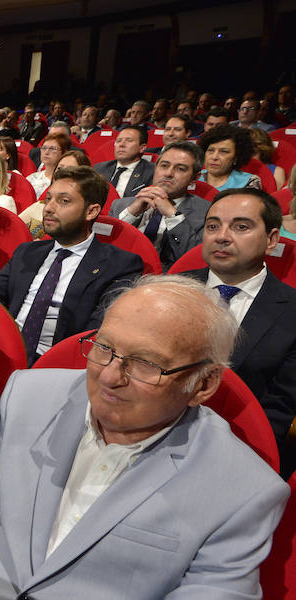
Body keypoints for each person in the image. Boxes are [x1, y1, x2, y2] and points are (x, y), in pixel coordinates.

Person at [0, 275, 289, 600]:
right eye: (104, 347)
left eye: (146, 364)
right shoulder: (30, 395)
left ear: (203, 384)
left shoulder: (244, 490)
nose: (110, 377)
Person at [181, 188, 296, 477]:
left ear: (271, 240)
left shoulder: (292, 311)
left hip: (238, 455)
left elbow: (279, 409)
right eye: (212, 226)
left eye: (241, 227)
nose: (222, 235)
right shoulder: (167, 290)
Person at [0, 166, 143, 364]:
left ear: (91, 211)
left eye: (64, 201)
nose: (49, 207)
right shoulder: (27, 252)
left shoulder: (120, 265)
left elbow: (96, 335)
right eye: (48, 198)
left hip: (61, 365)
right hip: (3, 352)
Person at [111, 141, 210, 270]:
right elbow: (104, 249)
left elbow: (199, 262)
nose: (168, 173)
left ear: (194, 178)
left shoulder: (207, 212)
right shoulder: (121, 205)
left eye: (180, 169)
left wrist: (172, 215)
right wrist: (131, 214)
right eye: (164, 166)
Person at [19, 150, 91, 240]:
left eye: (70, 170)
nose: (62, 174)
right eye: (59, 169)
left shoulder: (79, 214)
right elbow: (15, 229)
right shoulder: (39, 206)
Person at [93, 126, 155, 198]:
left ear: (142, 148)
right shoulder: (99, 169)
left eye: (129, 140)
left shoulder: (151, 172)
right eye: (118, 141)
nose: (121, 145)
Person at [197, 124, 261, 191]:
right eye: (211, 150)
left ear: (236, 157)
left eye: (223, 152)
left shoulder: (249, 182)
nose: (214, 157)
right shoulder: (192, 177)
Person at [27, 132, 70, 198]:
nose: (46, 152)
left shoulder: (67, 181)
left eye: (52, 149)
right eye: (44, 148)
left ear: (64, 153)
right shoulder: (31, 178)